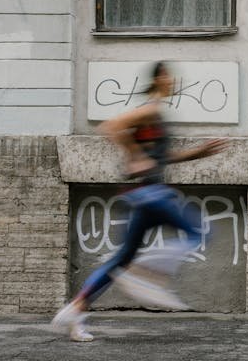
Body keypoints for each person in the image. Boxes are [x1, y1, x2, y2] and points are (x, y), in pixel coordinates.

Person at [52, 61, 229, 342]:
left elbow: (163, 157)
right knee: (201, 231)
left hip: (139, 197)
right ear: (159, 79)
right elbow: (112, 126)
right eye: (169, 77)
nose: (173, 82)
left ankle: (76, 311)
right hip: (152, 195)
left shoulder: (156, 114)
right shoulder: (151, 109)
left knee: (120, 260)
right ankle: (148, 270)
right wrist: (134, 152)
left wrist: (199, 153)